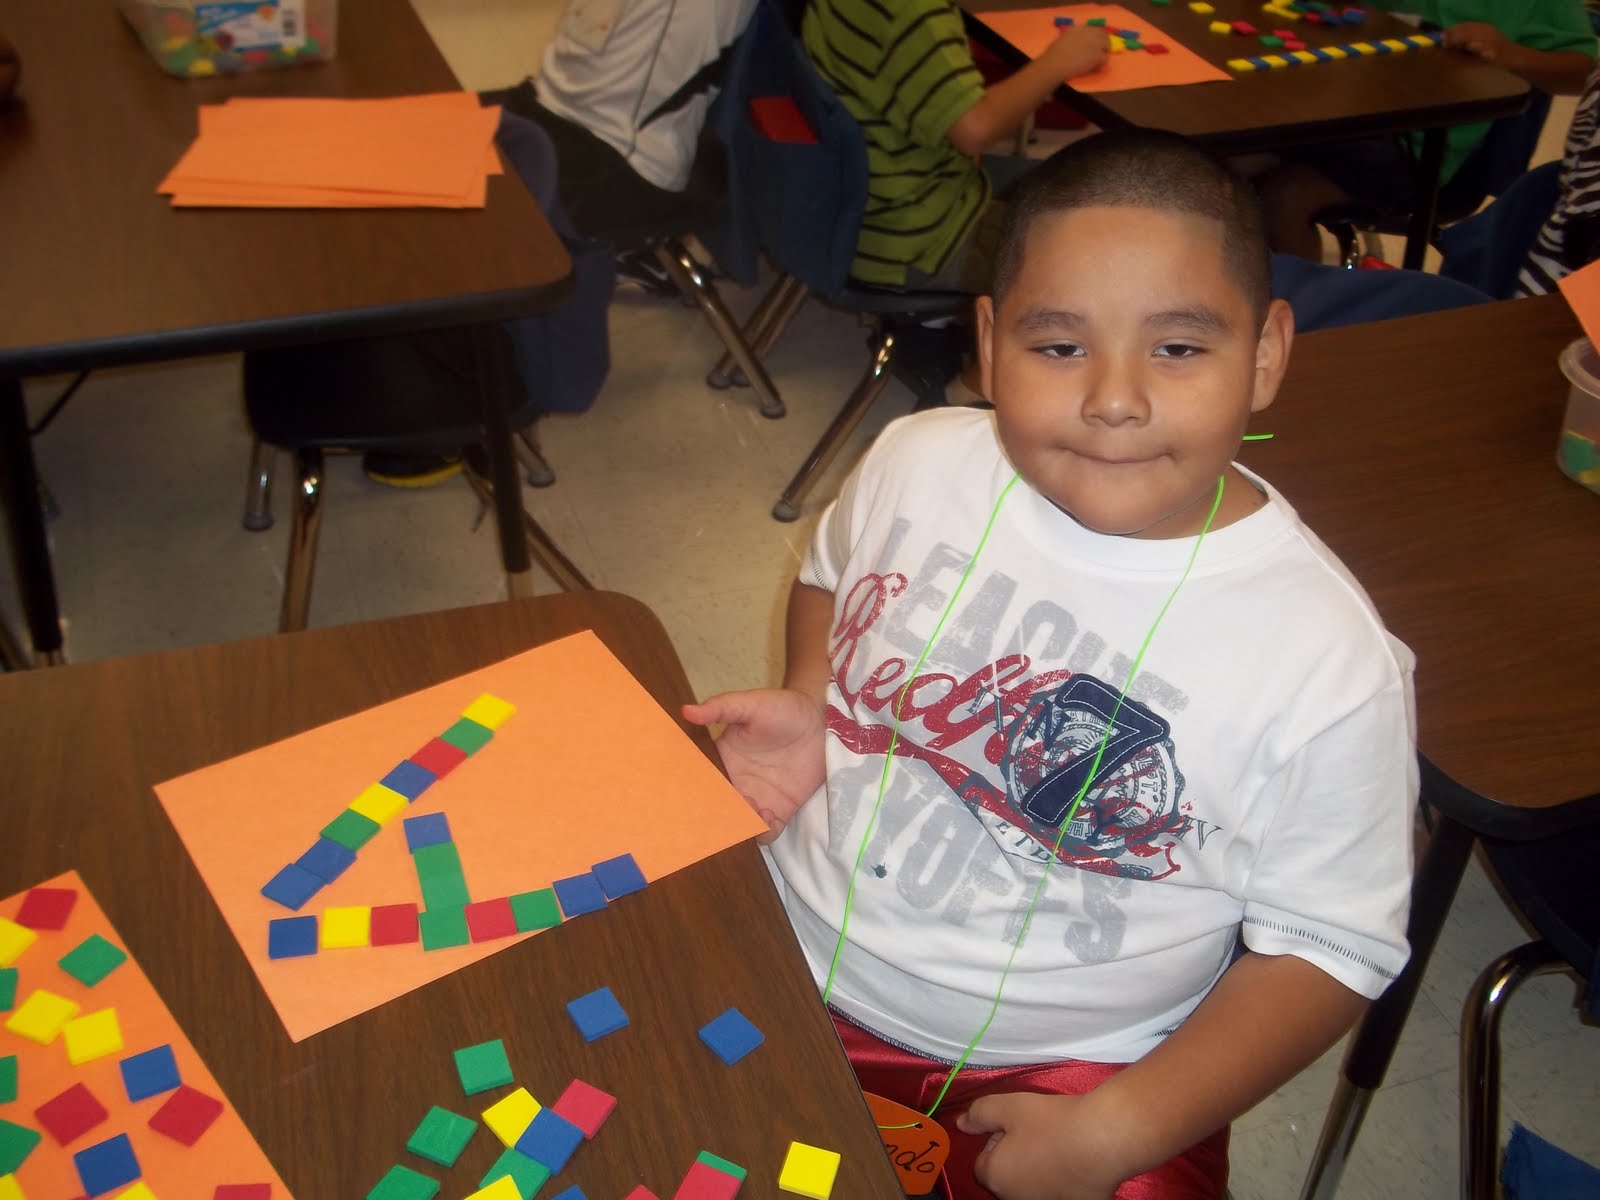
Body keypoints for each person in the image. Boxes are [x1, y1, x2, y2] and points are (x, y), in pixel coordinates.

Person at [685, 130, 1417, 1200]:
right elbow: (830, 574)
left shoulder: (1330, 665)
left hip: (1087, 1070)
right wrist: (813, 698)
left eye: (1177, 348)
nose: (1112, 399)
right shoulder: (915, 458)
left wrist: (1120, 1128)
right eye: (1058, 346)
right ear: (986, 344)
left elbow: (1328, 948)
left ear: (1264, 354)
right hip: (784, 950)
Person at [801, 0, 1109, 291]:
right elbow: (975, 129)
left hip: (862, 210)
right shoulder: (913, 12)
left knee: (1090, 190)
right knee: (1110, 256)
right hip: (919, 241)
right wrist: (1057, 63)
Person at [1257, 0, 1596, 260]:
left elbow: (1586, 69)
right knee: (1231, 161)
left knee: (1284, 197)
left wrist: (1513, 56)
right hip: (1335, 115)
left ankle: (1302, 323)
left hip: (1421, 153)